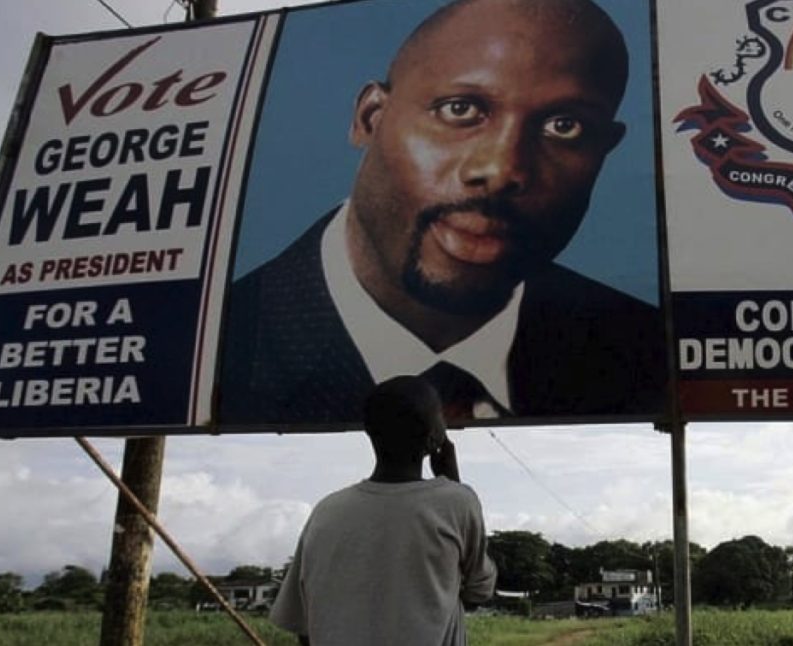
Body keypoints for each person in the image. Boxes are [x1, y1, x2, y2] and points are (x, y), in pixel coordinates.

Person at [219, 0, 663, 425]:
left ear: (604, 150)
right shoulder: (216, 350)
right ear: (371, 117)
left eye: (564, 126)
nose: (501, 169)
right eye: (461, 109)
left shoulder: (648, 353)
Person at [270, 375, 497, 645]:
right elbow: (478, 591)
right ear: (435, 435)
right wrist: (452, 479)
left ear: (370, 432)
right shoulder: (457, 502)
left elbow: (303, 625)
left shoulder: (326, 511)